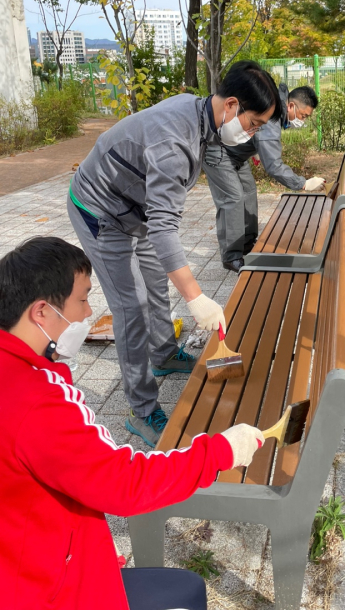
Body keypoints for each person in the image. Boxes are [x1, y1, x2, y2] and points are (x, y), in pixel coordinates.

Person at [0, 236, 264, 610]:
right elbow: (122, 484)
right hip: (42, 590)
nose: (88, 312)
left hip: (26, 558)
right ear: (41, 311)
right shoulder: (35, 399)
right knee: (185, 591)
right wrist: (220, 451)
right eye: (82, 299)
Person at [68, 61, 280, 446]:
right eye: (254, 123)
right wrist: (196, 297)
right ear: (231, 105)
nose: (252, 133)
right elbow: (165, 226)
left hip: (138, 210)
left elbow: (162, 220)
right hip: (100, 211)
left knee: (156, 285)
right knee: (132, 308)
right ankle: (142, 411)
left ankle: (164, 355)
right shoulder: (174, 140)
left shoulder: (201, 113)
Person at [204, 81, 325, 272]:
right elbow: (273, 165)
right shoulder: (273, 116)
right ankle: (231, 256)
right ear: (291, 105)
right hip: (217, 151)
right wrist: (302, 184)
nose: (302, 120)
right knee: (233, 198)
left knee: (249, 192)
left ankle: (247, 244)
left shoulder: (276, 107)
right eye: (303, 115)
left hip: (236, 154)